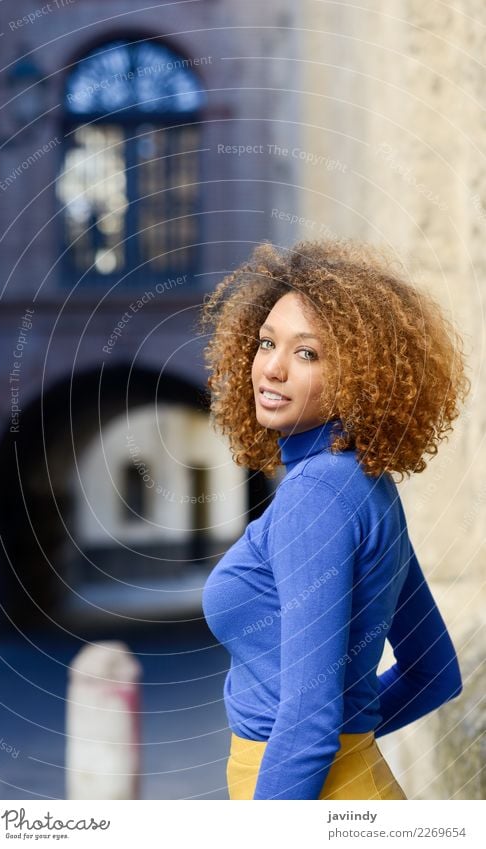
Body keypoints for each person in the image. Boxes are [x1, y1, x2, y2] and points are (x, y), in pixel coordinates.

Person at [197, 238, 471, 800]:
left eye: (307, 353)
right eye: (267, 342)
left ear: (361, 376)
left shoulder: (317, 494)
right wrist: (355, 735)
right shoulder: (360, 480)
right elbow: (433, 670)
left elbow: (307, 721)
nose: (271, 368)